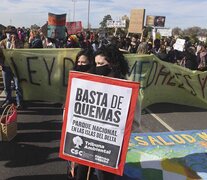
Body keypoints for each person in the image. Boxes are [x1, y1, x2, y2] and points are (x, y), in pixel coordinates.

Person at [92, 44, 141, 180]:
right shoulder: (93, 86)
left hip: (115, 148)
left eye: (101, 63)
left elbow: (135, 123)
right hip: (95, 145)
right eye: (96, 64)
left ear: (113, 64)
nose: (98, 67)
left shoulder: (127, 89)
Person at [67, 48, 96, 180]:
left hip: (90, 128)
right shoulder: (74, 78)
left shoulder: (97, 80)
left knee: (84, 163)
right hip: (74, 125)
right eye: (78, 62)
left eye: (84, 63)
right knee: (73, 160)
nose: (80, 65)